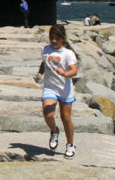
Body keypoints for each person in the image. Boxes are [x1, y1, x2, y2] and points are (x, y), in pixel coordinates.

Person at [35, 24, 79, 159]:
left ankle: (70, 144)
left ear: (63, 39)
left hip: (65, 89)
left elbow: (74, 70)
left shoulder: (68, 53)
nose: (54, 41)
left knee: (66, 118)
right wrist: (40, 74)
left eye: (57, 38)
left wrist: (64, 73)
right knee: (48, 114)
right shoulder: (45, 49)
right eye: (51, 38)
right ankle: (54, 131)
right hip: (50, 87)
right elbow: (44, 62)